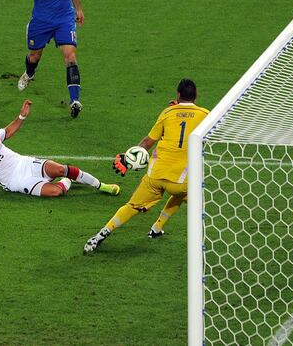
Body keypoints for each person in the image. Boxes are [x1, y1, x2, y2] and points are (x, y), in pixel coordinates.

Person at [83, 79, 209, 254]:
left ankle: (100, 235)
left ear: (178, 95)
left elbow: (148, 142)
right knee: (184, 194)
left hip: (155, 176)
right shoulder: (205, 115)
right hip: (180, 182)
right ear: (196, 96)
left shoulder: (167, 112)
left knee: (132, 206)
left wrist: (128, 158)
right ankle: (159, 228)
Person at [0, 99, 120, 197]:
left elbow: (8, 131)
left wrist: (21, 116)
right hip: (15, 182)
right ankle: (67, 182)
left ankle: (101, 186)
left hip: (25, 163)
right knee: (56, 192)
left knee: (61, 168)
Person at [16, 0, 85, 118]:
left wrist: (78, 8)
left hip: (64, 18)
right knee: (34, 56)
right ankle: (29, 74)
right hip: (42, 19)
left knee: (70, 56)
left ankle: (75, 100)